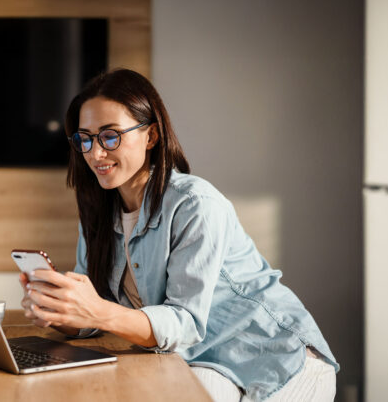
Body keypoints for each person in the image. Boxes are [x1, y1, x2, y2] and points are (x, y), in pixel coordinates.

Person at [18, 68, 339, 401]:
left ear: (151, 136)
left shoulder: (195, 204)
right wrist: (60, 309)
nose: (94, 153)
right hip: (203, 357)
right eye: (84, 138)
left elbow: (183, 322)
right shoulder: (99, 212)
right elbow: (98, 315)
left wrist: (96, 310)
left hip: (278, 361)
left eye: (110, 136)